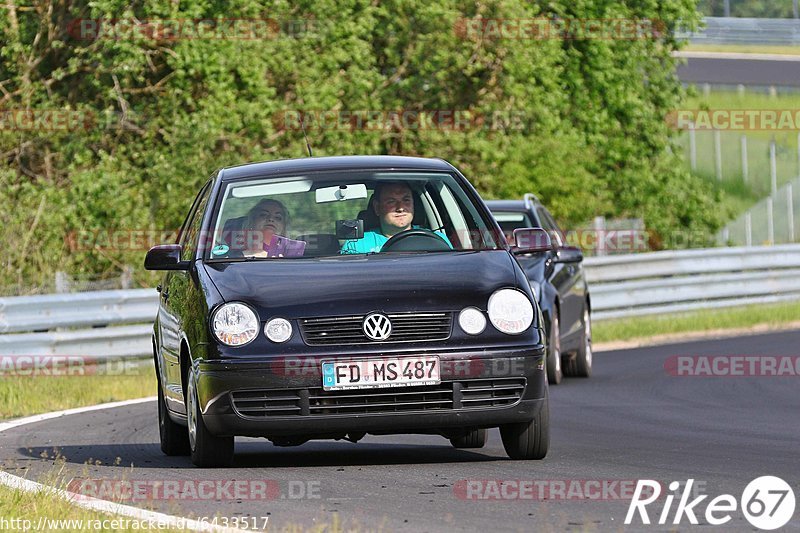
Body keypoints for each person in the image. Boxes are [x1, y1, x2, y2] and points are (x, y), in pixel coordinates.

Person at [340, 182, 452, 254]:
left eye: (406, 200)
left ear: (414, 204)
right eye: (391, 201)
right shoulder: (357, 244)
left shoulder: (437, 240)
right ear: (377, 208)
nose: (400, 208)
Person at [241, 199, 305, 258]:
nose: (271, 219)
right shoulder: (233, 256)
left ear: (284, 228)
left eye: (278, 217)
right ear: (252, 221)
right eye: (264, 215)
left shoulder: (295, 256)